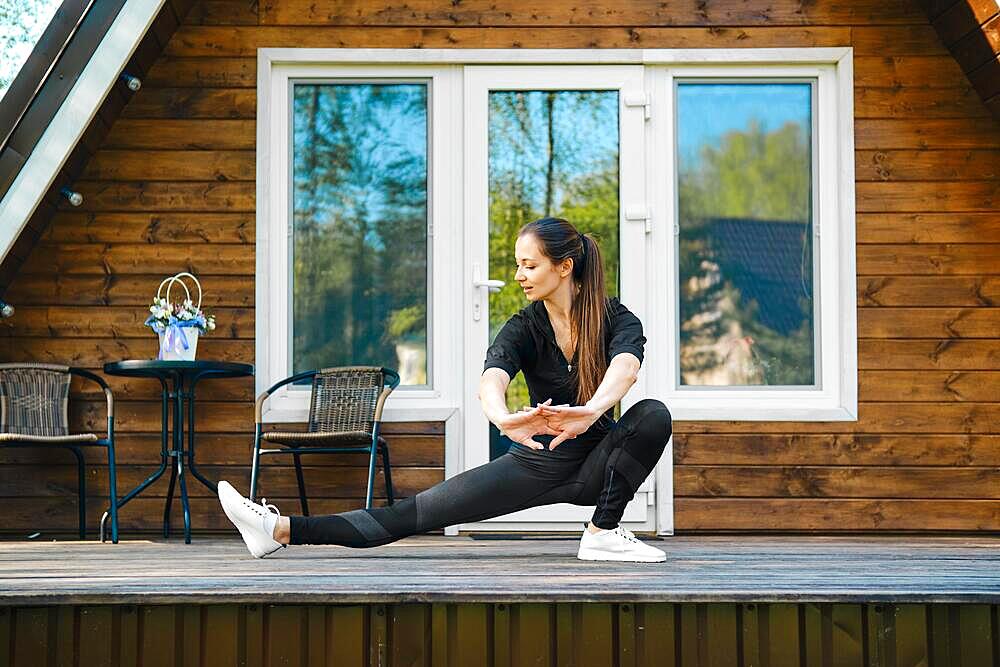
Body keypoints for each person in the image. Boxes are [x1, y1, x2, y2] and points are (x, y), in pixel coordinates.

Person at [218, 217, 673, 562]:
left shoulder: (614, 317)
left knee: (652, 414)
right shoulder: (525, 326)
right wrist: (502, 417)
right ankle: (277, 529)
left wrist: (592, 410)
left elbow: (626, 366)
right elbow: (493, 376)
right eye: (518, 265)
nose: (519, 274)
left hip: (597, 464)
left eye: (529, 265)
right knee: (414, 513)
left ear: (565, 266)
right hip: (537, 461)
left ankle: (602, 533)